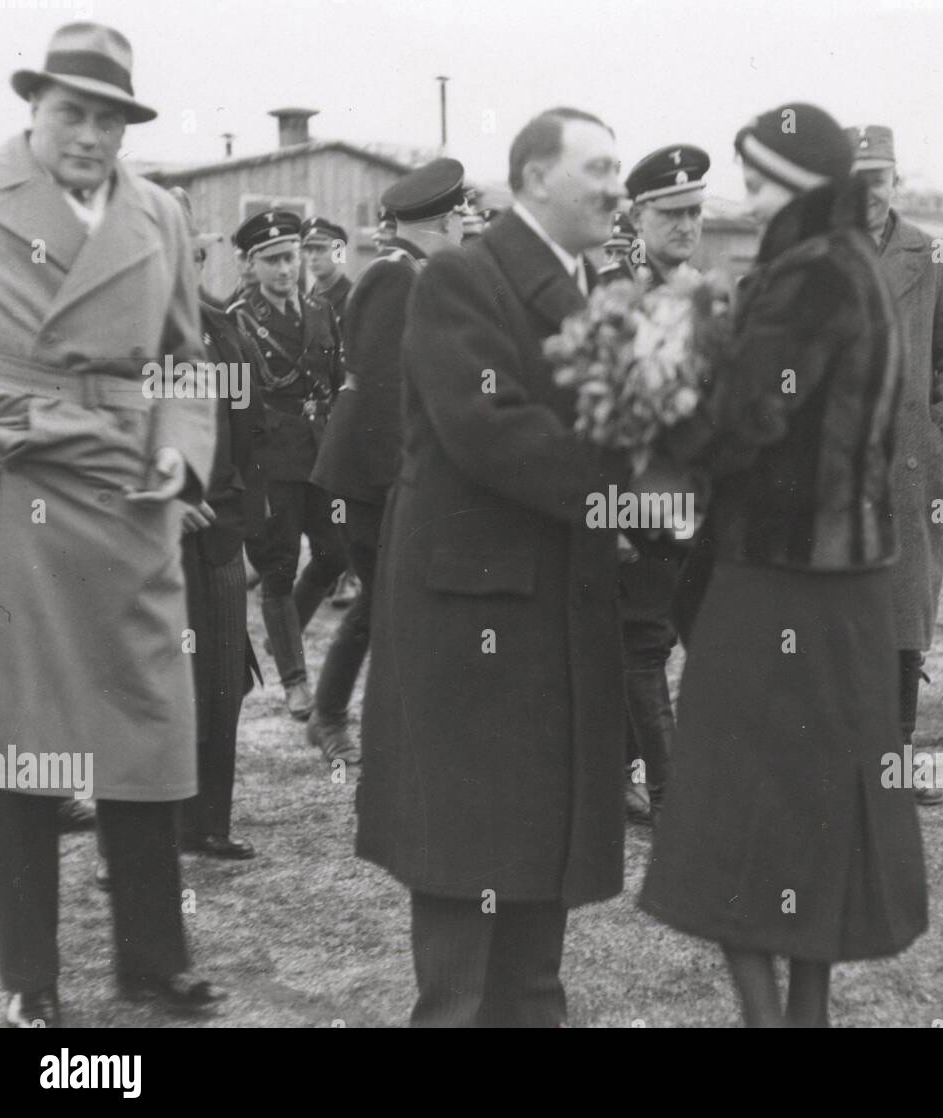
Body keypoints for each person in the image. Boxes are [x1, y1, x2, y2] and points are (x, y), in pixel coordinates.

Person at [640, 103, 927, 1028]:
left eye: (758, 178)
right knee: (817, 820)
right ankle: (803, 1018)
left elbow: (737, 425)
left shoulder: (801, 278)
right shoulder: (856, 266)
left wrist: (657, 391)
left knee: (740, 819)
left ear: (800, 183)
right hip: (844, 590)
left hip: (774, 584)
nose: (744, 196)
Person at [356, 108, 628, 1027]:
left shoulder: (586, 290)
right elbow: (490, 430)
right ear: (535, 178)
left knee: (533, 925)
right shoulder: (463, 279)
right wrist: (627, 494)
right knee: (466, 950)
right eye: (598, 168)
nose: (615, 187)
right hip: (477, 636)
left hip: (550, 626)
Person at [0, 21, 225, 1027]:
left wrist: (183, 448)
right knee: (27, 740)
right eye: (71, 112)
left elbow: (187, 356)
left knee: (145, 727)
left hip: (132, 493)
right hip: (19, 489)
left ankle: (151, 961)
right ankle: (29, 977)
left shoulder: (161, 214)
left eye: (108, 118)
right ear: (34, 108)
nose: (89, 134)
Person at [307, 157, 464, 766]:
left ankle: (335, 718)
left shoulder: (411, 271)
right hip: (370, 475)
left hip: (381, 472)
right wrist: (409, 475)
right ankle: (341, 721)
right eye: (459, 219)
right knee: (388, 601)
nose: (461, 230)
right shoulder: (395, 276)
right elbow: (381, 389)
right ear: (442, 220)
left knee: (384, 601)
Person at [848, 124, 943, 805]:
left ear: (894, 180)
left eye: (879, 176)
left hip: (908, 467)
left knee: (904, 615)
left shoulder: (929, 255)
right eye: (857, 177)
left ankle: (893, 767)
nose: (869, 190)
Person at [609, 144, 712, 823]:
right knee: (644, 647)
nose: (685, 225)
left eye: (695, 212)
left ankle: (619, 775)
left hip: (695, 502)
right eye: (670, 213)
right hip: (640, 502)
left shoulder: (699, 292)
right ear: (638, 216)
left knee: (652, 645)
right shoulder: (618, 296)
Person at [169, 187, 268, 860]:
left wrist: (244, 529)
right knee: (152, 690)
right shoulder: (117, 341)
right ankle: (135, 846)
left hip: (220, 538)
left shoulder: (223, 332)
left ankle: (209, 823)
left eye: (188, 248)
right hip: (149, 542)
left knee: (223, 683)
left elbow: (249, 435)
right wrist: (163, 498)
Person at [229, 209, 346, 720]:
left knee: (334, 554)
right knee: (277, 570)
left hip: (321, 453)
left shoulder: (320, 310)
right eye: (272, 260)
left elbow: (338, 379)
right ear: (252, 264)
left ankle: (285, 636)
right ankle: (295, 682)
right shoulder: (237, 322)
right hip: (271, 459)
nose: (284, 269)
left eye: (290, 257)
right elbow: (234, 403)